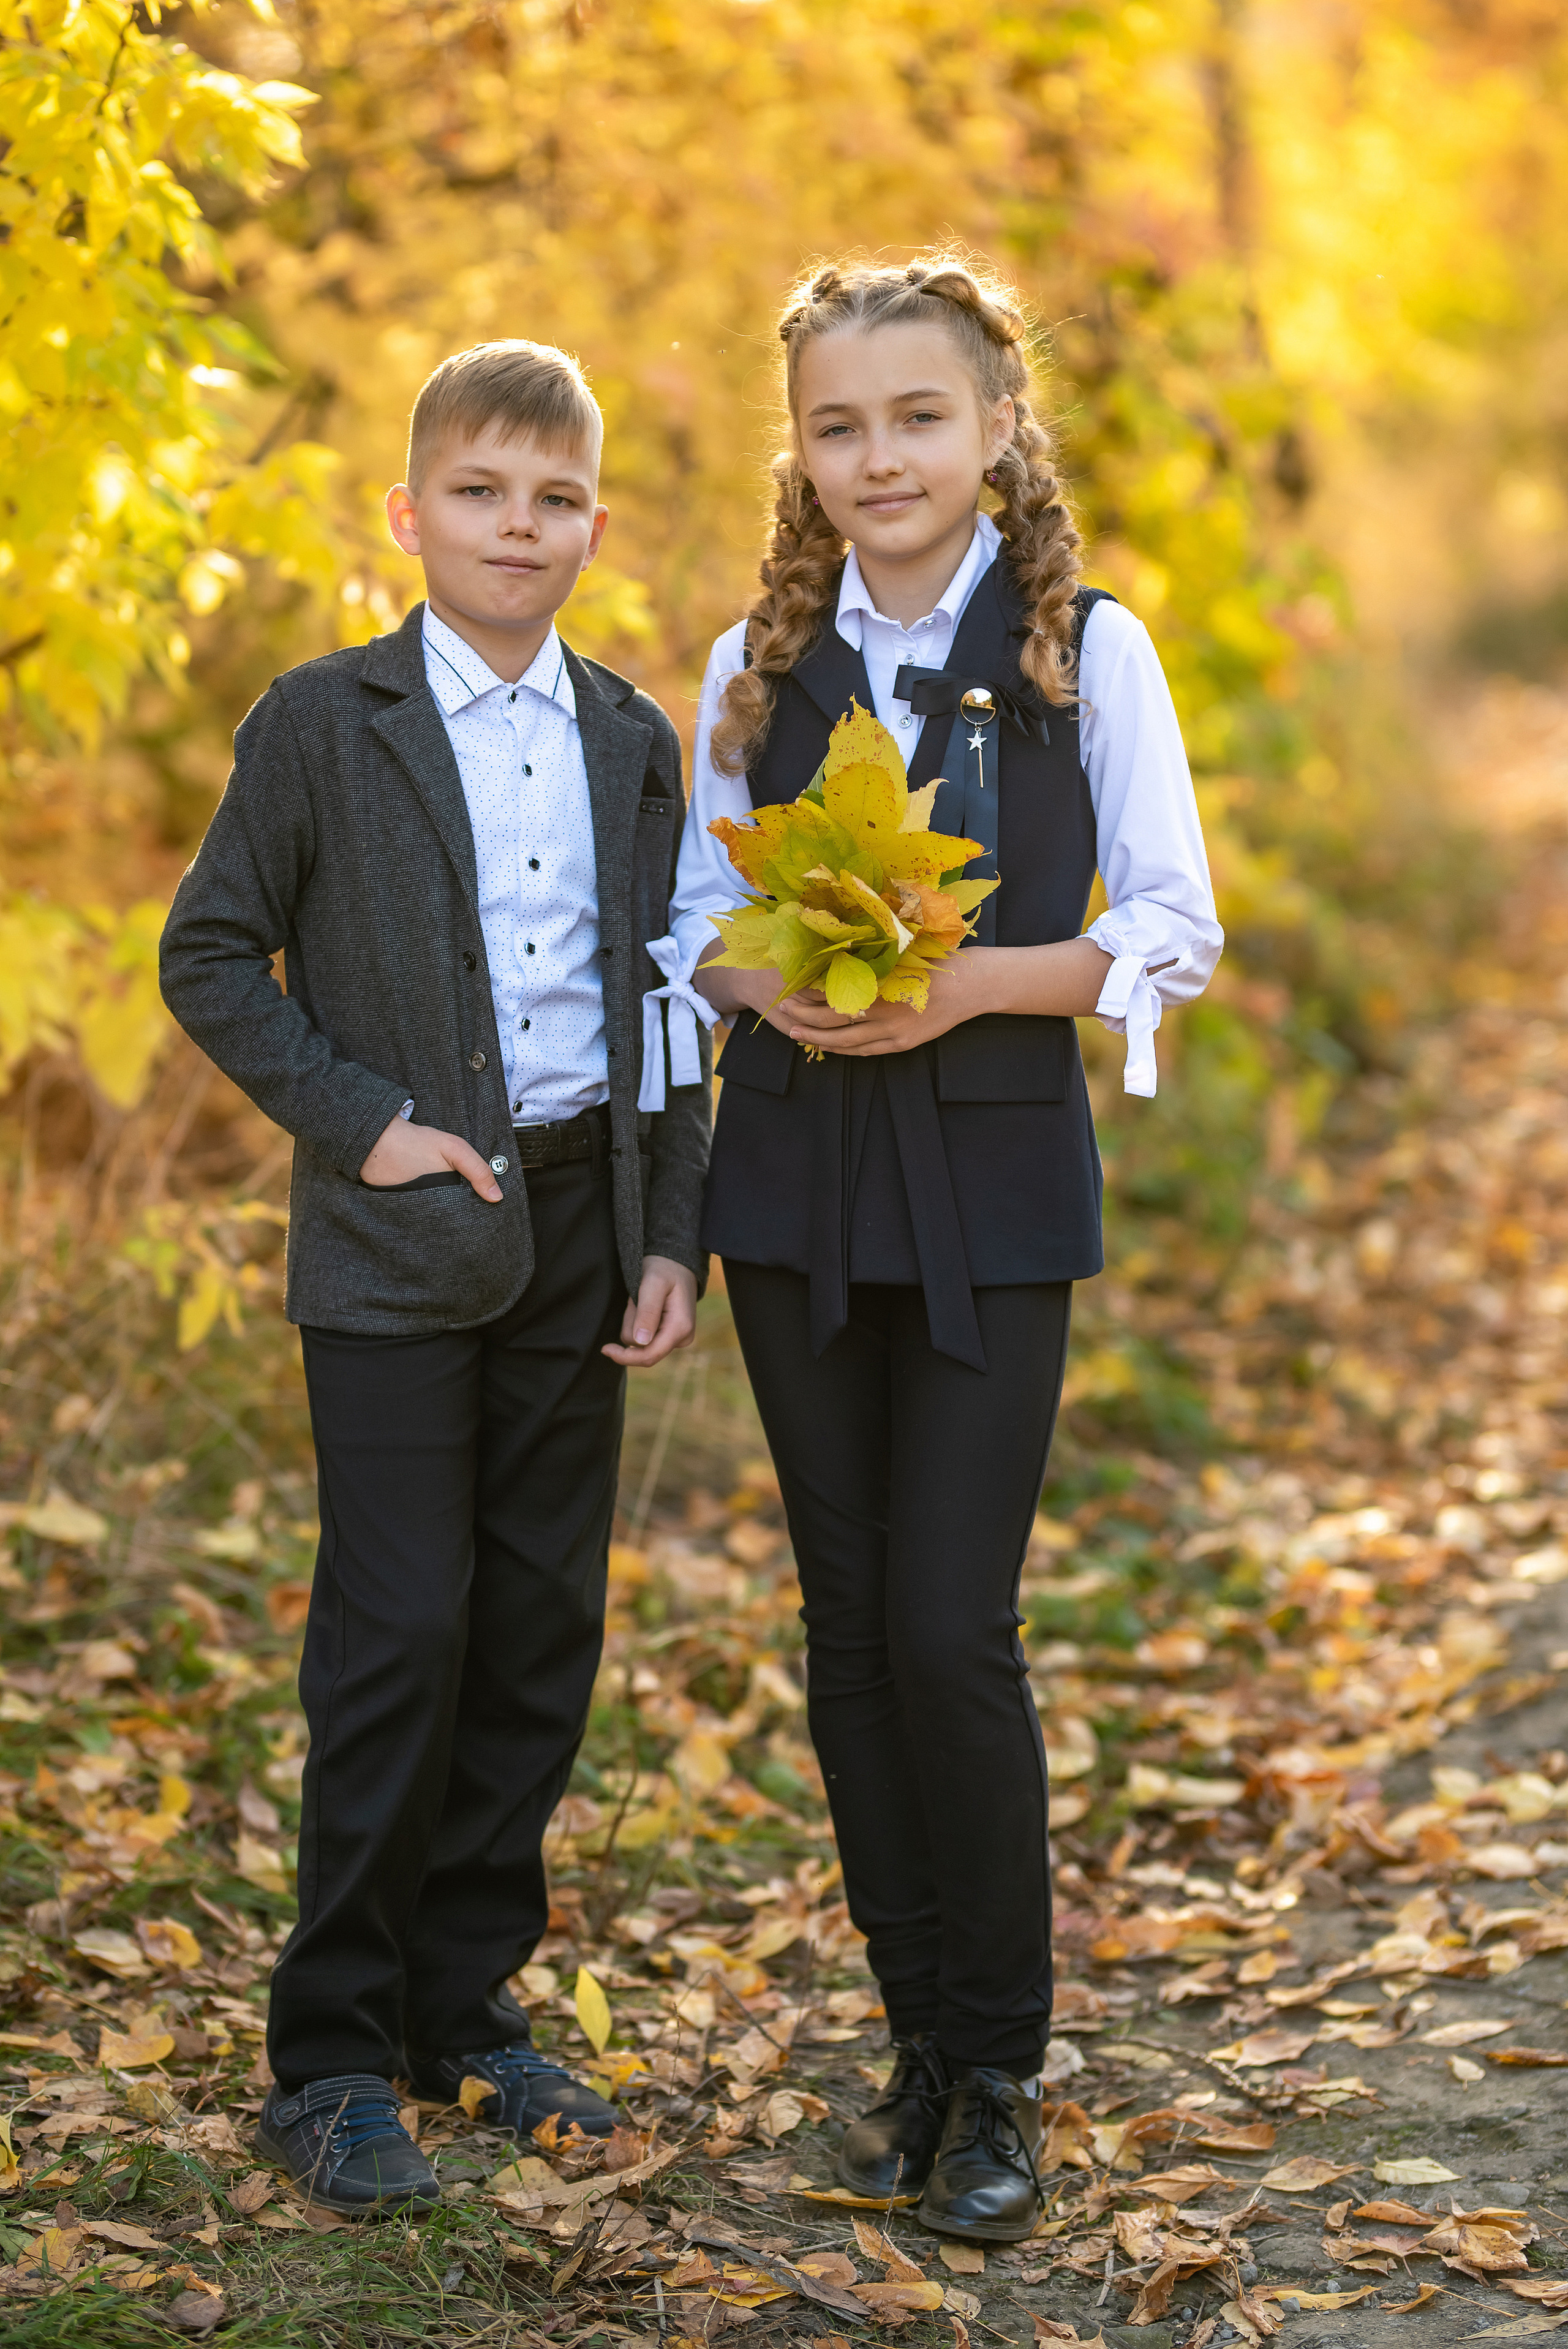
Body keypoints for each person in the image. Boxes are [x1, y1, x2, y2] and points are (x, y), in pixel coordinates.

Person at [653, 255, 1222, 2242]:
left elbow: (1167, 930)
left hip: (989, 1193)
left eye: (916, 416)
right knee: (843, 1629)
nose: (876, 454)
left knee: (950, 1629)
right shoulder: (754, 661)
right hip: (796, 1191)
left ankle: (998, 2065)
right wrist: (776, 982)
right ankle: (908, 2037)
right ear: (800, 453)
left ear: (995, 428)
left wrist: (965, 980)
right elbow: (688, 936)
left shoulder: (1092, 651)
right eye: (837, 424)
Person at [159, 341, 710, 2216]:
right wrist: (366, 1119)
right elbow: (213, 956)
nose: (518, 527)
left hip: (581, 1231)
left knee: (540, 1631)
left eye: (555, 500)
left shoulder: (637, 736)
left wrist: (666, 1227)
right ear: (410, 514)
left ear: (596, 527)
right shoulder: (323, 723)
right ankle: (327, 2052)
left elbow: (664, 1014)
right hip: (399, 1237)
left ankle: (461, 2004)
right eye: (480, 493)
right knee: (398, 1631)